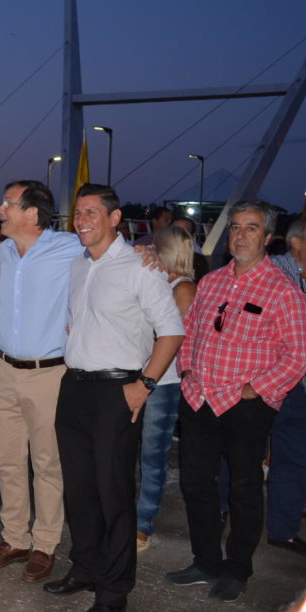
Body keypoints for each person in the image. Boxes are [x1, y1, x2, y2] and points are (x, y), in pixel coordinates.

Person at [45, 184, 184, 612]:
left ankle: (114, 589)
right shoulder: (77, 266)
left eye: (90, 212)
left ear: (114, 217)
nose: (81, 219)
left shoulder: (141, 267)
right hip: (75, 388)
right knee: (80, 491)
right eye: (78, 213)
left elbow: (172, 331)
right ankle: (85, 568)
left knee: (114, 495)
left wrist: (143, 385)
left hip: (117, 391)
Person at [168, 199, 306, 603]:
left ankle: (237, 568)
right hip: (199, 400)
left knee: (245, 488)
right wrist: (186, 371)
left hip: (245, 405)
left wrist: (255, 390)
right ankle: (206, 560)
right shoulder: (211, 282)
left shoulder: (282, 290)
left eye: (251, 228)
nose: (240, 235)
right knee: (196, 484)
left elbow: (298, 356)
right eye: (234, 227)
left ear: (268, 237)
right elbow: (191, 330)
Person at [0, 180, 82, 583]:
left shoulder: (68, 247)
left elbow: (107, 251)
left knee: (47, 463)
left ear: (33, 214)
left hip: (48, 373)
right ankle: (14, 538)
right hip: (5, 368)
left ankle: (45, 544)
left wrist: (146, 253)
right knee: (6, 459)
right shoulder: (3, 250)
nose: (0, 209)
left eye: (8, 204)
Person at [265, 215, 306, 559]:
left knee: (295, 460)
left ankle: (284, 531)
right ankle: (221, 513)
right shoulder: (268, 270)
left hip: (303, 386)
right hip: (260, 380)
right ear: (296, 242)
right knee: (238, 454)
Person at [136, 225, 196, 552]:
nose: (149, 252)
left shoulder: (182, 288)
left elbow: (173, 341)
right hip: (147, 377)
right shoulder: (163, 283)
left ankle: (143, 523)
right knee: (139, 454)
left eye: (153, 248)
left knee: (153, 456)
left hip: (165, 382)